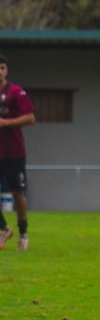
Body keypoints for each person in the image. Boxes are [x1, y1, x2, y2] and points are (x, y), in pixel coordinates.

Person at [0, 54, 36, 251]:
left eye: (2, 67)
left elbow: (31, 118)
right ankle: (4, 228)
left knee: (17, 193)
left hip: (13, 152)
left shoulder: (16, 92)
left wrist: (7, 122)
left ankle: (23, 233)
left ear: (6, 70)